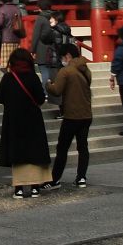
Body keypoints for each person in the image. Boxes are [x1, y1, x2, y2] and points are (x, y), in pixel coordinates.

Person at [0, 48, 51, 198]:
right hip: (32, 120)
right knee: (33, 151)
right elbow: (40, 99)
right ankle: (34, 187)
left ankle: (19, 188)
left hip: (13, 121)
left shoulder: (8, 78)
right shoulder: (33, 77)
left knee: (17, 153)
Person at [43, 43, 93, 189]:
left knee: (62, 148)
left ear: (67, 56)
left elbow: (56, 90)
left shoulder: (66, 71)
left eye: (62, 57)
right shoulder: (85, 69)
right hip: (86, 114)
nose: (62, 60)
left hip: (72, 115)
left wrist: (48, 85)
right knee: (83, 147)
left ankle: (55, 179)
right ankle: (81, 177)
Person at [0, 0, 26, 69]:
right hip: (17, 37)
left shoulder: (2, 9)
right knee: (16, 62)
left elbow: (0, 23)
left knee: (7, 64)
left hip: (6, 38)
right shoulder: (17, 9)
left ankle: (9, 77)